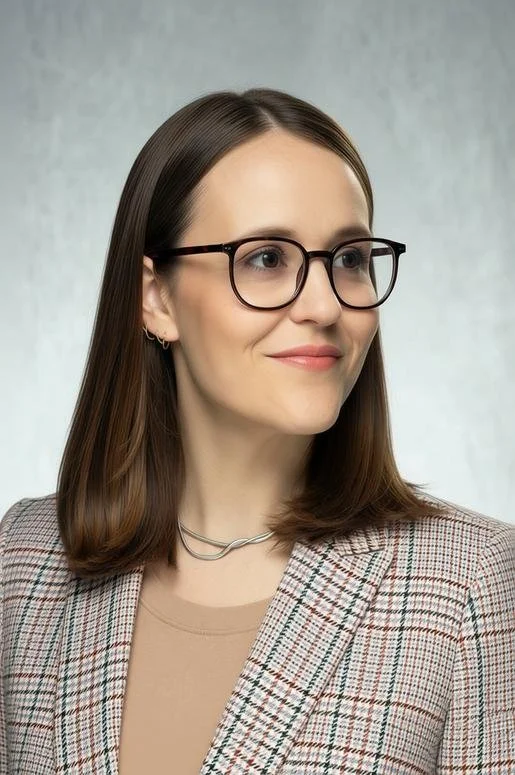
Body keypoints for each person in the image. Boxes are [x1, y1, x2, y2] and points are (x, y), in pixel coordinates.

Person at [1, 87, 513, 775]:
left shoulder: (469, 583)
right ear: (155, 298)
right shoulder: (22, 563)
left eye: (350, 258)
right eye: (266, 258)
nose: (325, 303)